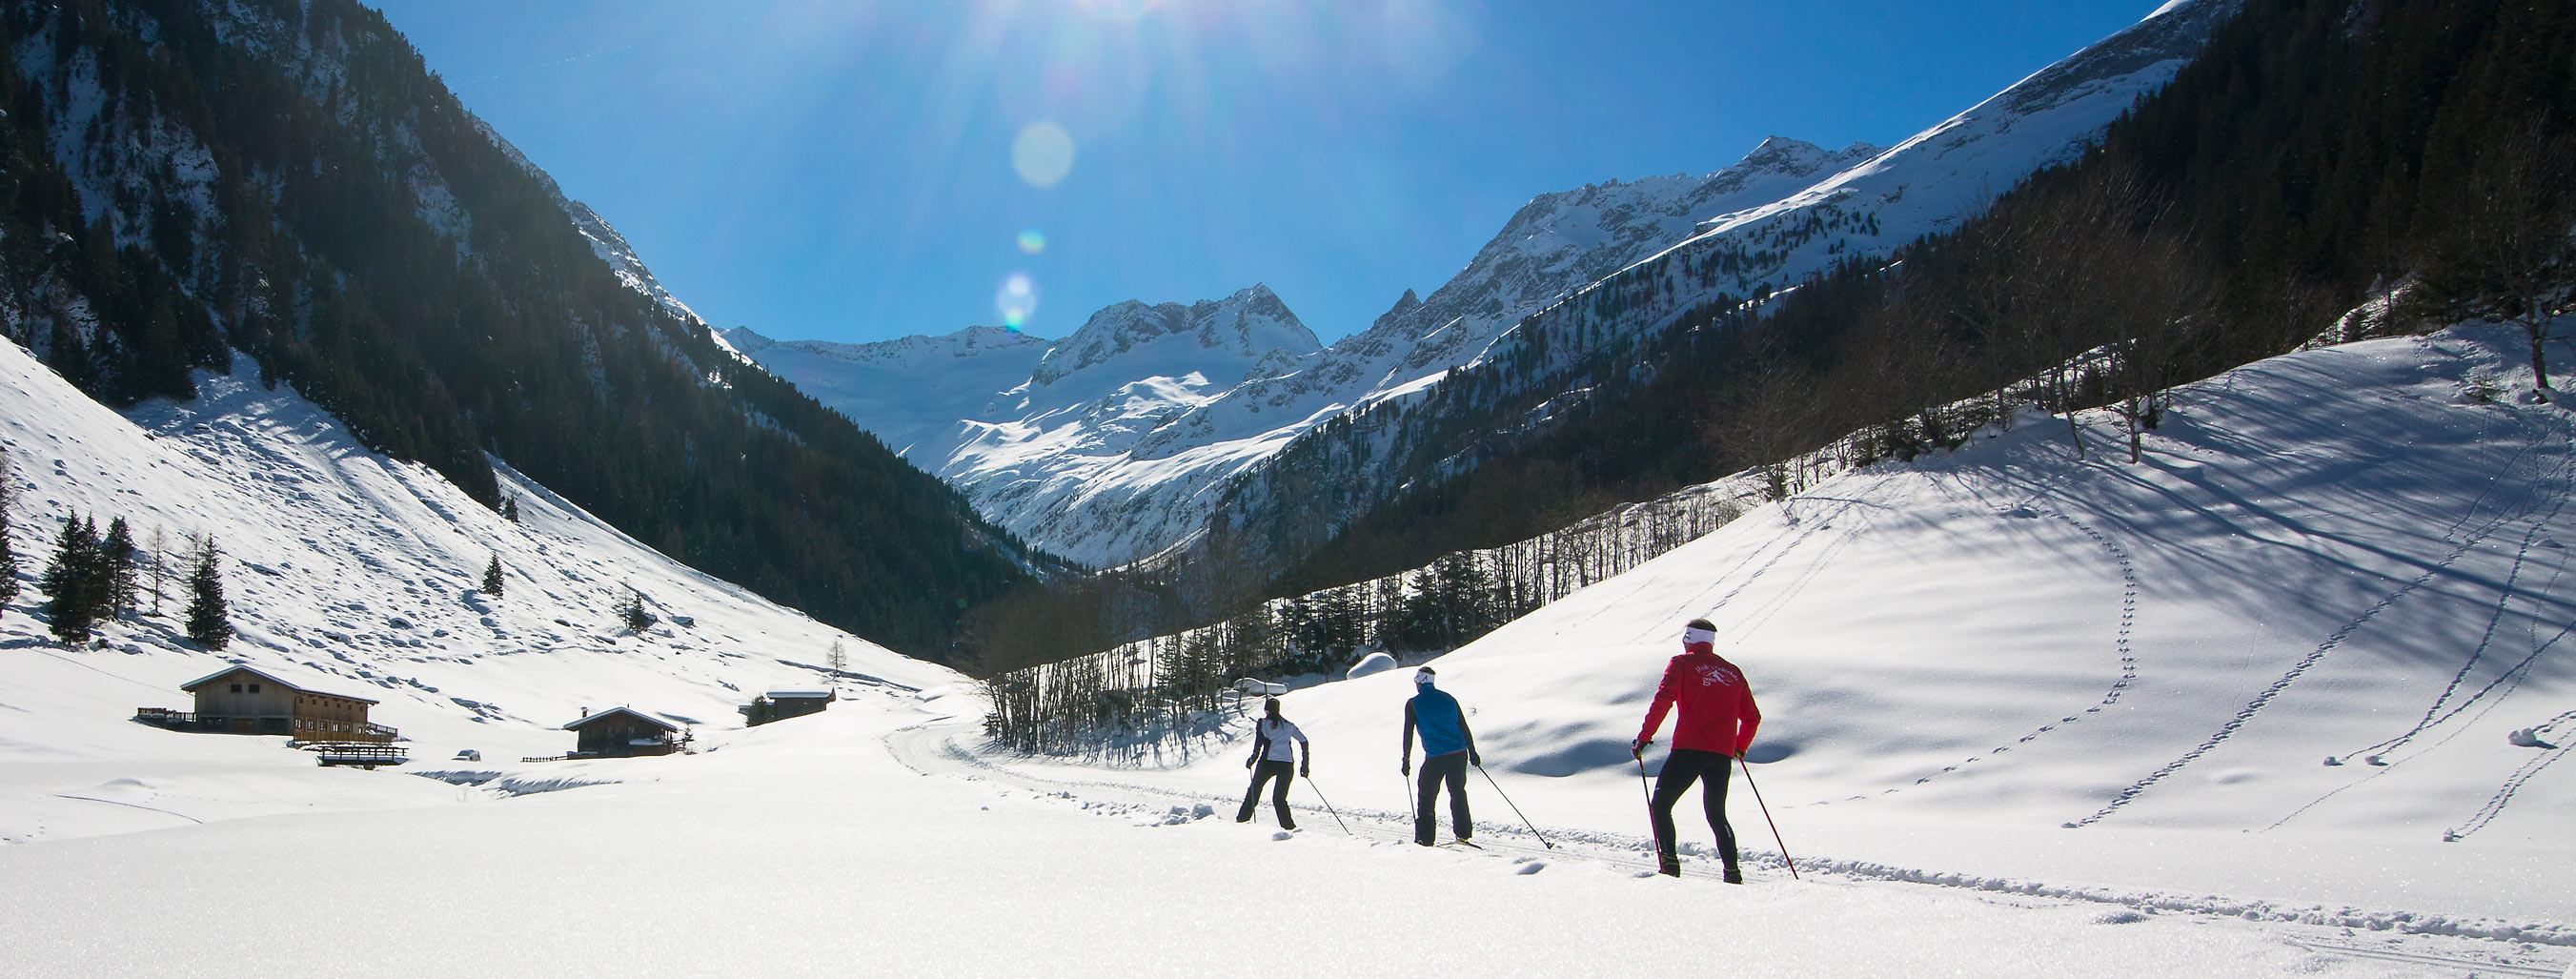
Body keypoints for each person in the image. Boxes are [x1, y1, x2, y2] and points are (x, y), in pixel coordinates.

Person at [1632, 618, 1761, 882]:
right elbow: (1752, 717)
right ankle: (1732, 873)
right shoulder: (1733, 672)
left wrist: (1645, 737)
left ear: (1688, 638)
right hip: (1721, 755)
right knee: (1716, 814)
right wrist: (1739, 747)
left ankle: (1670, 867)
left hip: (1688, 749)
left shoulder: (1681, 663)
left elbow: (1663, 699)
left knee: (1661, 805)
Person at [1400, 666, 1479, 846]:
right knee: (1458, 792)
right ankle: (1464, 833)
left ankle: (1425, 839)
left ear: (1420, 681)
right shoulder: (1449, 698)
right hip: (1459, 754)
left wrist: (1406, 760)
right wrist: (1472, 751)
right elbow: (1463, 726)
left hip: (1436, 757)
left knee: (1427, 795)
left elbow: (1408, 733)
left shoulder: (1413, 704)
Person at [1237, 696, 1309, 828]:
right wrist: (1304, 765)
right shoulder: (1289, 725)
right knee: (1279, 798)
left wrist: (1252, 759)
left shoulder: (1262, 723)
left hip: (1267, 763)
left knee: (1254, 790)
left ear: (1266, 710)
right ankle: (1289, 827)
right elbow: (1304, 741)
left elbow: (1258, 744)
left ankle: (1242, 820)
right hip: (1287, 764)